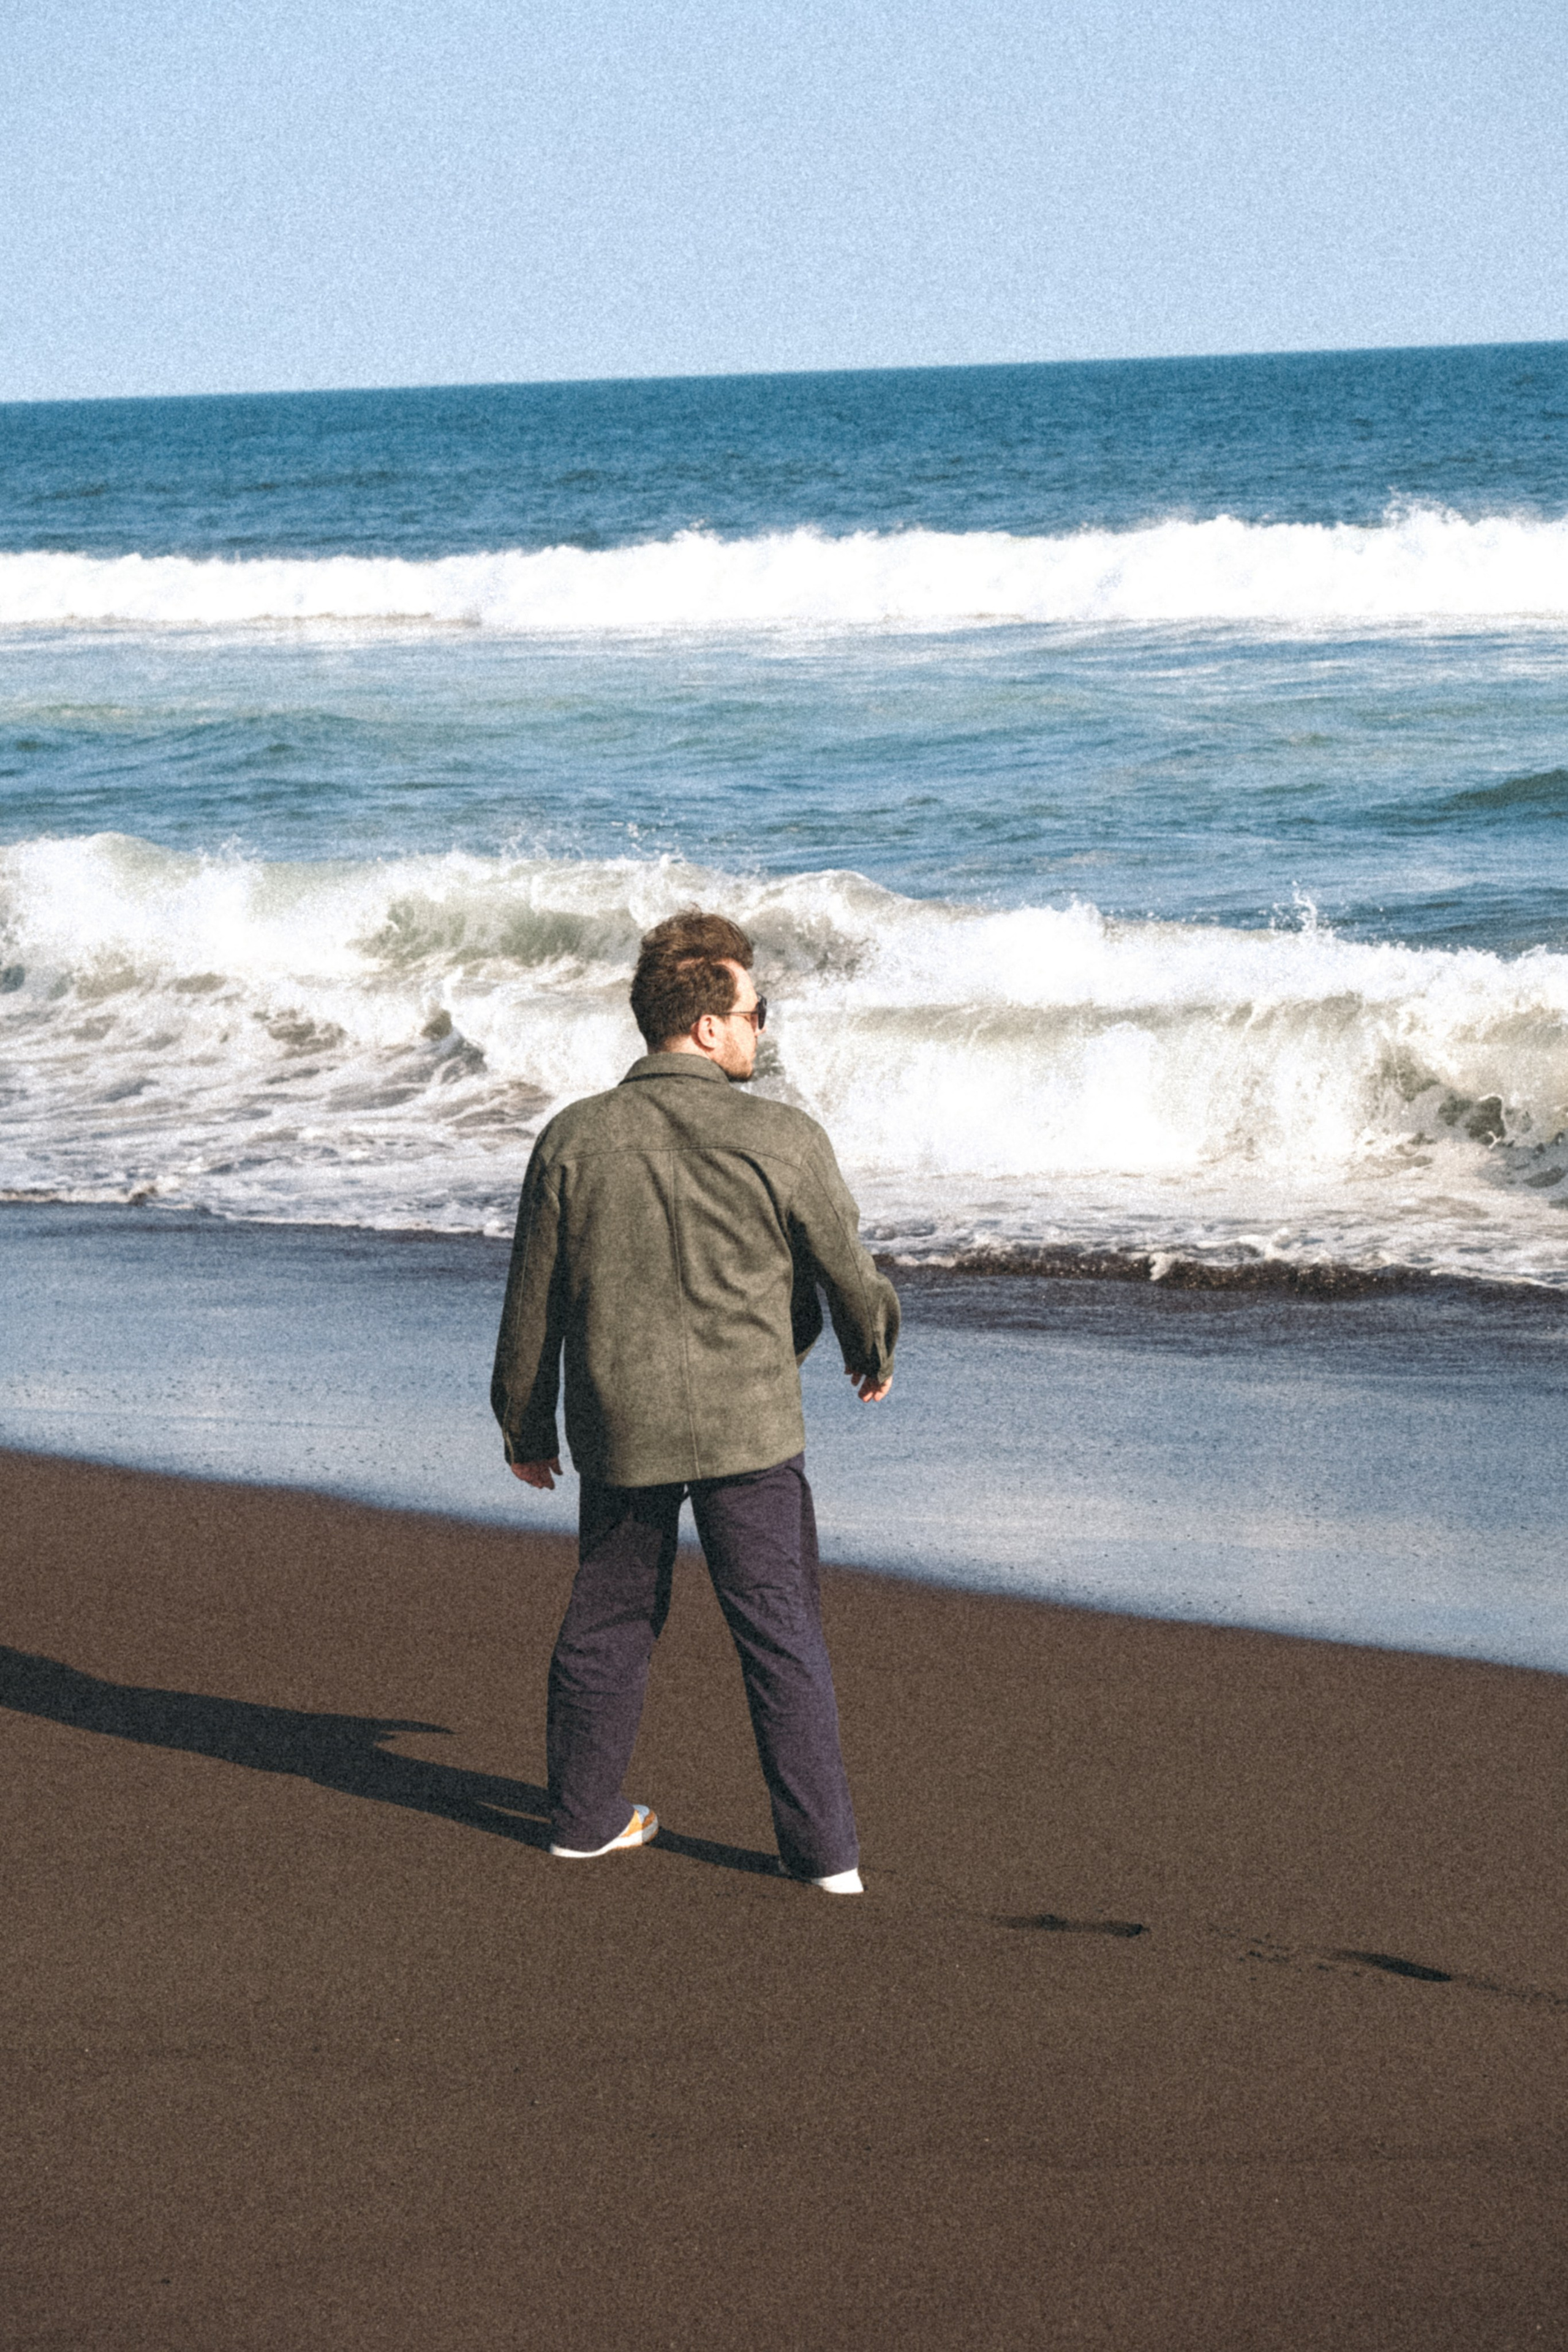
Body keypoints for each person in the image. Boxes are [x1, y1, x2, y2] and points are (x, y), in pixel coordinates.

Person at [491, 908, 899, 1894]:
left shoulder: (573, 1138)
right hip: (749, 1423)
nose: (764, 1029)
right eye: (758, 1012)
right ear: (710, 1026)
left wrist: (524, 1422)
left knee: (610, 1619)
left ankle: (583, 1822)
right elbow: (849, 1270)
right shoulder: (783, 1136)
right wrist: (869, 1346)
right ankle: (824, 1859)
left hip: (621, 1425)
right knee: (779, 1632)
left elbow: (532, 1300)